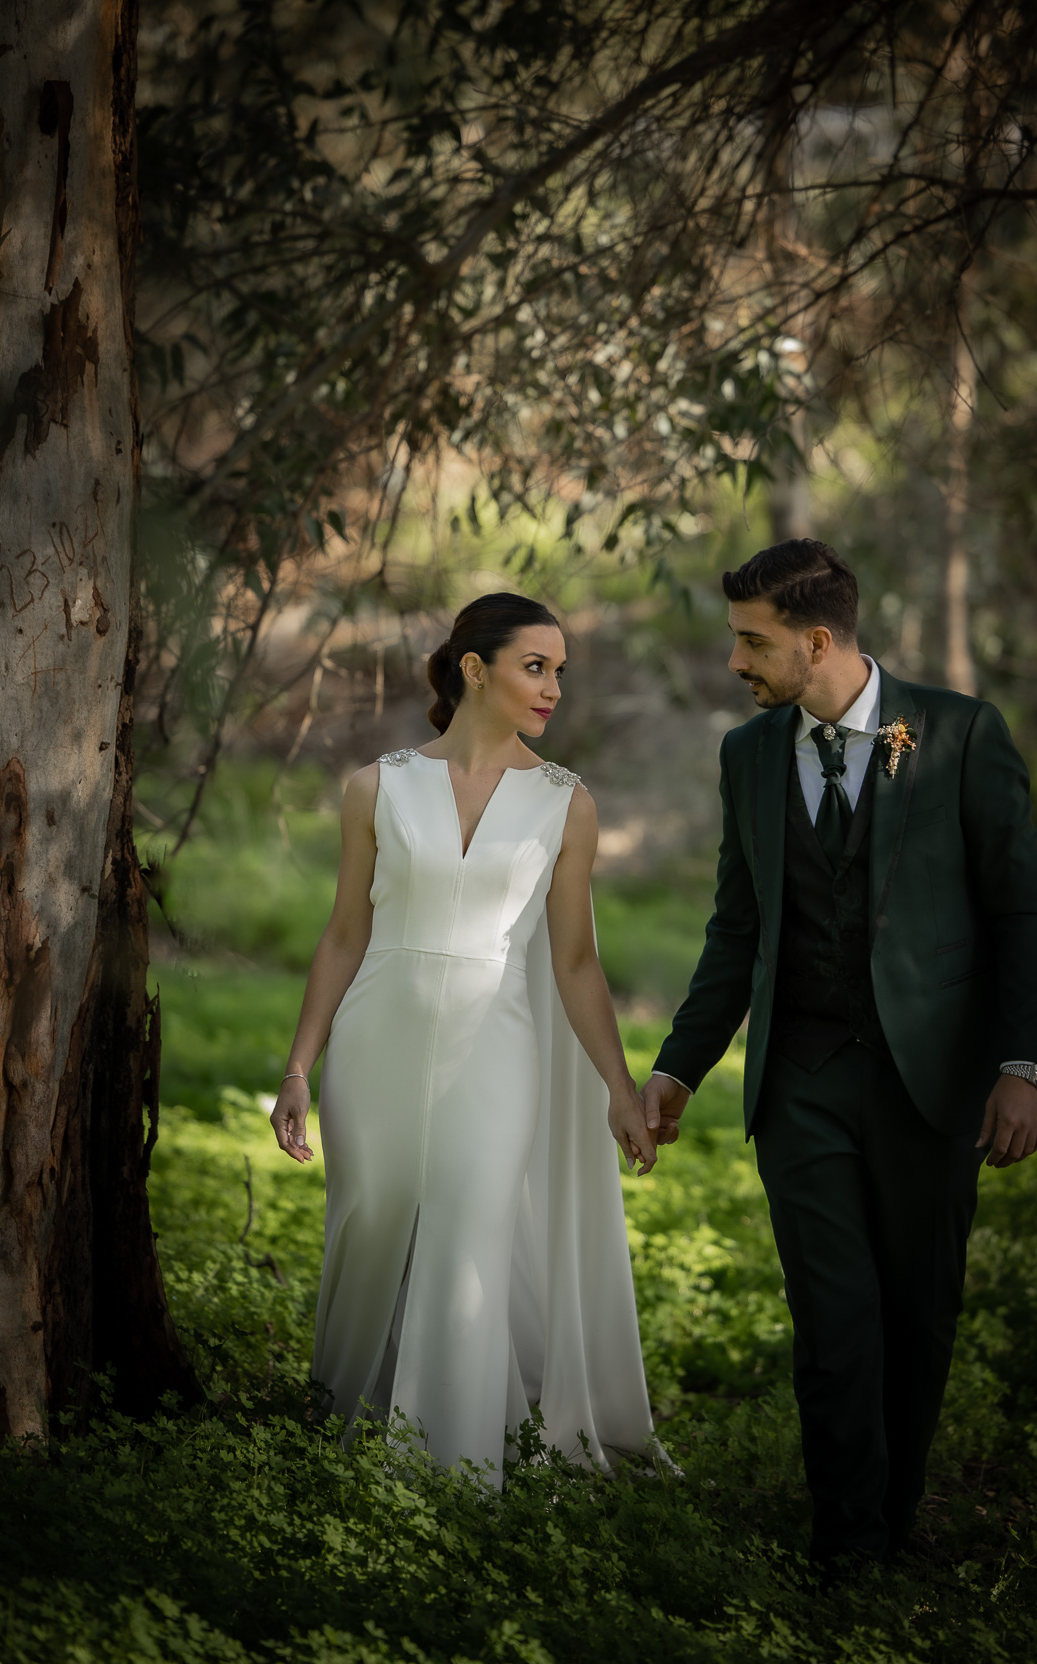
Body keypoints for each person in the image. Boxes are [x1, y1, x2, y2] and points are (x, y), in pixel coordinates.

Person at [641, 540, 1037, 1570]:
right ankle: (847, 1549)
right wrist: (678, 1067)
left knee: (918, 1318)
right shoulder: (749, 756)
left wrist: (1023, 1066)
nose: (737, 661)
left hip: (935, 1085)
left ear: (816, 640)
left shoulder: (957, 733)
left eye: (754, 642)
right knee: (834, 1321)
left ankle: (895, 1521)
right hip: (804, 1082)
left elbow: (1021, 912)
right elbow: (736, 929)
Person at [269, 592, 658, 1484]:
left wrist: (619, 1089)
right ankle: (331, 1431)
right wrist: (298, 1066)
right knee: (366, 1232)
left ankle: (452, 1473)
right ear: (474, 669)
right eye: (537, 666)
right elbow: (342, 935)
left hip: (498, 1049)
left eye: (561, 670)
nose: (554, 686)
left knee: (470, 1237)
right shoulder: (377, 785)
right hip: (377, 1040)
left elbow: (575, 965)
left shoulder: (567, 804)